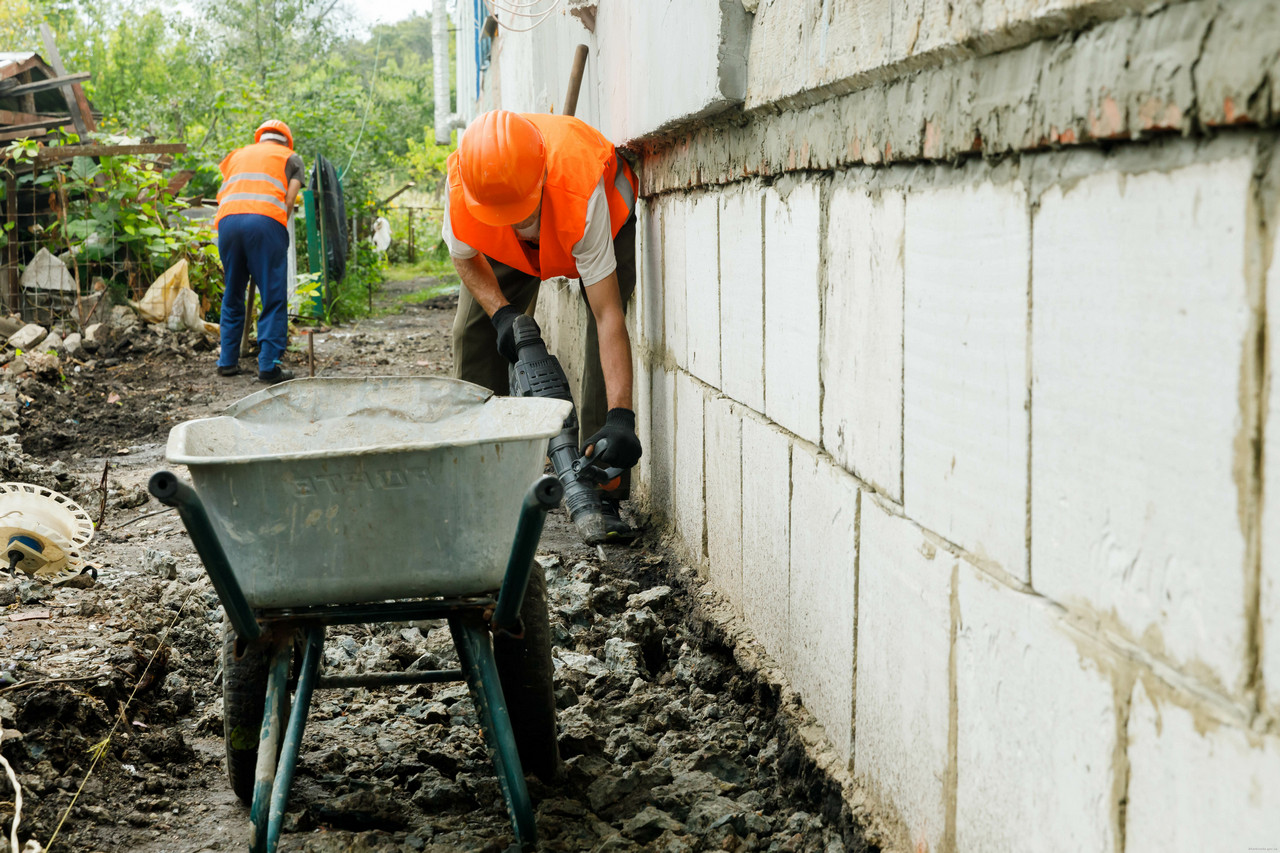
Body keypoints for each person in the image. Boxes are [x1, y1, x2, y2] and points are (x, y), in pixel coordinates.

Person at [443, 109, 642, 537]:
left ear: (540, 178)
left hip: (600, 218)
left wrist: (621, 415)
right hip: (511, 248)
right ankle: (483, 473)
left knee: (597, 331)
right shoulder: (467, 184)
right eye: (503, 214)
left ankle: (599, 488)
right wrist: (501, 314)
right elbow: (465, 258)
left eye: (520, 212)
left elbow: (608, 315)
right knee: (471, 333)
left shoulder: (580, 192)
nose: (516, 222)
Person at [214, 119, 304, 383]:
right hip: (265, 223)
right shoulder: (291, 158)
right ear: (286, 140)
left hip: (228, 222)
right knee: (273, 294)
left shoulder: (237, 155)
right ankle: (268, 365)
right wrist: (277, 228)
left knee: (233, 291)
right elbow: (289, 199)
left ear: (260, 138)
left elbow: (226, 190)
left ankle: (227, 361)